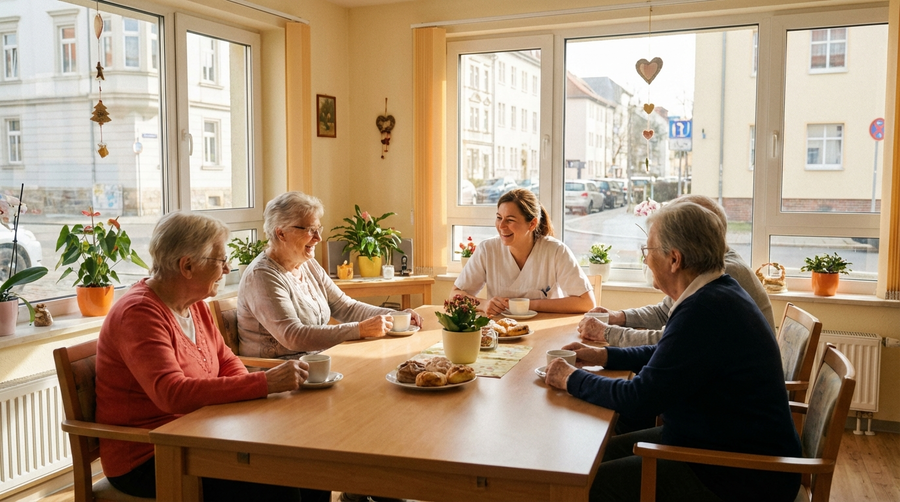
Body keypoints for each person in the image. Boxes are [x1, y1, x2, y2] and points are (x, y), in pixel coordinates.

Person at [545, 202, 801, 502]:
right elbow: (669, 353)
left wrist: (571, 379)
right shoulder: (717, 291)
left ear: (674, 259)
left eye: (648, 250)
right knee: (587, 460)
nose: (646, 258)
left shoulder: (706, 309)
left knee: (580, 488)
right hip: (712, 443)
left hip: (738, 475)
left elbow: (639, 399)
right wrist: (604, 356)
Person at [95, 212, 329, 501]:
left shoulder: (195, 305)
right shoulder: (139, 313)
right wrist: (262, 384)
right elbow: (172, 393)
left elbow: (226, 360)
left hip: (200, 435)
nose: (228, 269)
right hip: (149, 456)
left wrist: (250, 396)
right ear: (188, 266)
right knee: (278, 487)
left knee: (310, 469)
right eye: (220, 260)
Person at [238, 191, 422, 359]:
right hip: (279, 375)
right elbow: (293, 336)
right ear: (281, 233)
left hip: (316, 364)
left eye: (318, 229)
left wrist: (394, 315)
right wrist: (359, 330)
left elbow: (345, 307)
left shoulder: (308, 264)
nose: (318, 238)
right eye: (310, 230)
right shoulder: (262, 276)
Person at [578, 194, 775, 347]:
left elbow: (670, 340)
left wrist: (607, 333)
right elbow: (667, 313)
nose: (647, 258)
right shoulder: (707, 267)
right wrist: (619, 317)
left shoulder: (722, 273)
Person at [452, 188, 594, 316]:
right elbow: (455, 295)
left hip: (546, 330)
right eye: (499, 218)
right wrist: (484, 304)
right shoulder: (487, 250)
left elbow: (586, 303)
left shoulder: (556, 251)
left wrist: (527, 305)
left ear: (532, 224)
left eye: (510, 220)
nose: (501, 226)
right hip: (501, 332)